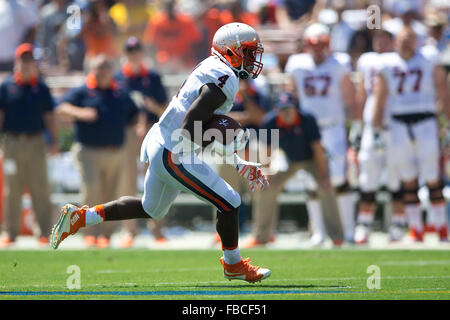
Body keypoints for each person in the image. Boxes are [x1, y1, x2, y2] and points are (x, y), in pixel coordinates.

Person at [51, 23, 271, 283]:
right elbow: (191, 127)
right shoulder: (225, 77)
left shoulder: (214, 68)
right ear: (231, 51)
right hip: (174, 150)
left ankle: (80, 217)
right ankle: (233, 265)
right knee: (230, 201)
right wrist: (232, 151)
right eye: (247, 52)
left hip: (163, 141)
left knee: (151, 208)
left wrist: (235, 158)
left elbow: (199, 125)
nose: (252, 59)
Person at [372, 26, 449, 242]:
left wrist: (448, 123)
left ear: (416, 41)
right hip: (398, 125)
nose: (406, 43)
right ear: (396, 41)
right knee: (408, 179)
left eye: (410, 39)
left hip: (425, 121)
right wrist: (376, 127)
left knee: (433, 177)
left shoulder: (428, 58)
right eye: (402, 39)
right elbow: (381, 95)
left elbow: (443, 89)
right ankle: (416, 228)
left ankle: (441, 226)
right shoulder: (387, 63)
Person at [285, 23, 359, 245]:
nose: (317, 50)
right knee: (311, 180)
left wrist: (354, 129)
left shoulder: (339, 64)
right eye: (313, 45)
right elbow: (292, 98)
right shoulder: (297, 65)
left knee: (339, 179)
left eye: (321, 45)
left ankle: (347, 230)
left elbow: (350, 100)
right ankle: (318, 231)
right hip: (309, 131)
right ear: (306, 45)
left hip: (333, 127)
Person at [56, 55, 139, 248]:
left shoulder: (119, 91)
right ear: (92, 70)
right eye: (99, 67)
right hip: (88, 150)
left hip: (115, 151)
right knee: (92, 188)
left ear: (112, 70)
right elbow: (61, 108)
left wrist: (138, 128)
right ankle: (89, 232)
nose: (103, 71)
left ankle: (105, 234)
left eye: (106, 67)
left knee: (111, 195)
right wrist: (81, 113)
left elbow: (135, 113)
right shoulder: (83, 90)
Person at [246, 92, 344, 247]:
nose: (287, 112)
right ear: (276, 110)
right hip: (288, 160)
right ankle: (261, 237)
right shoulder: (269, 121)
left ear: (296, 108)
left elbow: (318, 150)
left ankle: (337, 237)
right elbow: (266, 151)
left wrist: (324, 176)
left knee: (326, 187)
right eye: (283, 109)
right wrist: (266, 173)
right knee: (265, 187)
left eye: (290, 108)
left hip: (311, 159)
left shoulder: (307, 119)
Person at [0, 43, 58, 247]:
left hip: (36, 142)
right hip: (13, 143)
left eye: (29, 59)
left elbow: (49, 116)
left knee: (40, 188)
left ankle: (44, 232)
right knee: (12, 190)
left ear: (33, 63)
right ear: (17, 62)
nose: (26, 63)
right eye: (23, 59)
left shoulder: (40, 87)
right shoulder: (6, 86)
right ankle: (10, 232)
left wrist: (54, 141)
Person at [353, 29, 407, 244]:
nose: (380, 42)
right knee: (368, 178)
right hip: (370, 126)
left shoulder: (397, 60)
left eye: (385, 39)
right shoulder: (367, 60)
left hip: (394, 125)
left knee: (396, 179)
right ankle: (364, 224)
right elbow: (362, 94)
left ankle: (398, 224)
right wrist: (356, 125)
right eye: (378, 38)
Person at [114, 36, 168, 247]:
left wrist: (151, 106)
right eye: (130, 51)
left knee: (157, 177)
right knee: (127, 182)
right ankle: (130, 231)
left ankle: (157, 230)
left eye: (136, 50)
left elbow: (164, 109)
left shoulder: (152, 77)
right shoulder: (119, 77)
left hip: (153, 131)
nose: (133, 54)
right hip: (128, 133)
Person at [143, 0, 202, 72]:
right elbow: (150, 44)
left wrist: (187, 58)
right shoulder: (157, 22)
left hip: (184, 62)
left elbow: (196, 43)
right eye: (168, 7)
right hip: (164, 62)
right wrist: (155, 62)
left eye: (171, 6)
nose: (170, 10)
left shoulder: (185, 21)